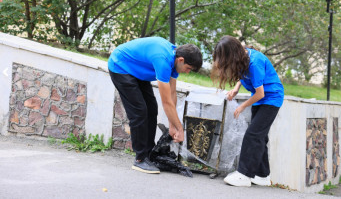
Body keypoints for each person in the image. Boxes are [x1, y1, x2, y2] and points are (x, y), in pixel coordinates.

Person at [108, 36, 202, 174]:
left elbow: (172, 95)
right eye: (188, 68)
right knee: (139, 111)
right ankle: (140, 159)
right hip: (120, 66)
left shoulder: (175, 60)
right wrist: (180, 129)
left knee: (152, 109)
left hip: (137, 71)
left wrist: (172, 126)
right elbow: (166, 102)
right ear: (181, 60)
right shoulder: (163, 60)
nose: (187, 72)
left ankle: (149, 154)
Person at [211, 35, 284, 187]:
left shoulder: (255, 63)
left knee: (252, 135)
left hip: (271, 99)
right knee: (260, 137)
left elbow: (260, 93)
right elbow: (242, 73)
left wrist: (242, 106)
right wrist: (236, 89)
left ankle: (244, 175)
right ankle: (262, 176)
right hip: (262, 99)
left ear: (232, 54)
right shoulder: (243, 56)